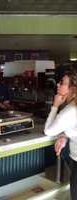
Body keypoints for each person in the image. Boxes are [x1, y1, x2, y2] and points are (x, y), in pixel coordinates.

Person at [44, 70, 77, 200]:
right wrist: (64, 135)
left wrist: (55, 106)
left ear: (73, 89)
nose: (58, 84)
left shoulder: (70, 110)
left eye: (62, 83)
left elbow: (48, 131)